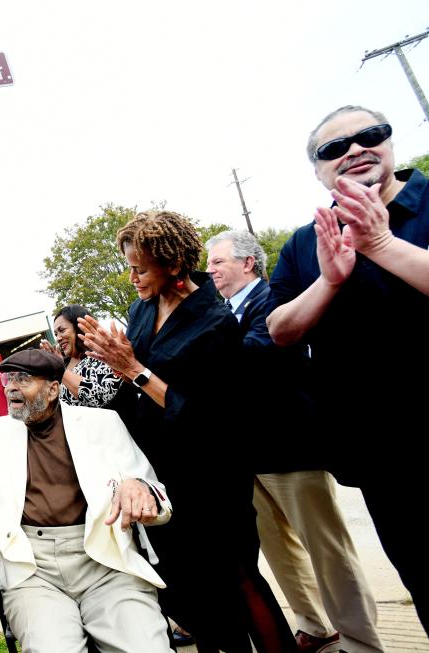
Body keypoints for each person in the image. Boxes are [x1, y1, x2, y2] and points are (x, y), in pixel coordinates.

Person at [77, 211, 296, 653]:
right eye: (129, 265)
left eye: (140, 267)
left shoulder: (215, 322)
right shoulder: (141, 309)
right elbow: (131, 386)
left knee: (237, 578)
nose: (132, 277)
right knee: (193, 592)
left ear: (173, 266)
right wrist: (107, 367)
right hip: (162, 472)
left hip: (212, 472)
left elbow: (204, 415)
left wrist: (133, 369)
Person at [267, 105, 429, 632]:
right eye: (334, 148)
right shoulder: (305, 242)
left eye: (369, 136)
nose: (355, 150)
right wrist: (330, 280)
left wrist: (381, 245)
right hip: (383, 453)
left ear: (390, 140)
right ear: (319, 171)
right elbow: (280, 329)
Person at [0, 348, 174, 652]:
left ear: (53, 389)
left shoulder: (102, 423)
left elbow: (156, 496)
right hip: (33, 571)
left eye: (23, 379)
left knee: (144, 647)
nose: (10, 387)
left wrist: (140, 489)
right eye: (8, 379)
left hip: (105, 563)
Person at [207, 230, 382, 653]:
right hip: (248, 455)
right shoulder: (218, 313)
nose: (209, 270)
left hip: (291, 446)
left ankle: (361, 640)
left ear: (248, 263)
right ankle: (314, 627)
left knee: (327, 551)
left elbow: (254, 358)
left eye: (218, 262)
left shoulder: (274, 299)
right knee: (279, 552)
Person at [40, 304, 122, 409]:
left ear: (79, 328)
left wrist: (60, 369)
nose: (58, 338)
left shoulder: (103, 354)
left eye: (62, 330)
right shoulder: (64, 363)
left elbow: (99, 397)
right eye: (55, 334)